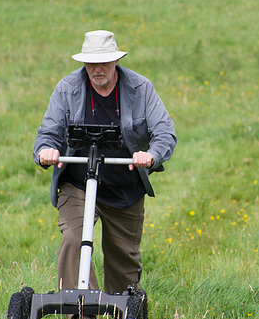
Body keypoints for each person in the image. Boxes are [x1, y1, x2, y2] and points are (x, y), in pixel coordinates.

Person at [33, 30, 176, 295]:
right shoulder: (67, 88)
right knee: (75, 240)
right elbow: (48, 132)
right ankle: (82, 316)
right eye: (91, 63)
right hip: (78, 183)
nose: (97, 69)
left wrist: (151, 155)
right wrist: (46, 150)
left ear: (116, 61)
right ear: (83, 63)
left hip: (124, 188)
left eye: (104, 62)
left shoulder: (140, 88)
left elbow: (165, 132)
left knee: (124, 264)